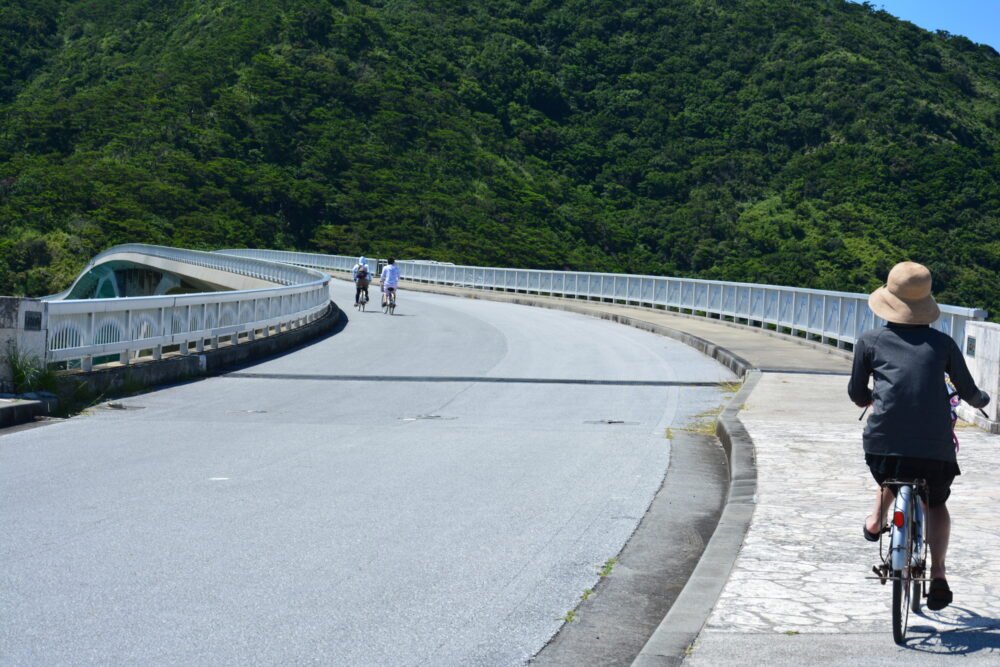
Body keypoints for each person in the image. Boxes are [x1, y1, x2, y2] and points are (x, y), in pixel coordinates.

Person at [848, 261, 989, 611]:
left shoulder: (869, 340)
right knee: (937, 502)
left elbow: (855, 392)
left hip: (883, 443)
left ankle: (876, 521)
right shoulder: (942, 343)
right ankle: (938, 574)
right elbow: (969, 391)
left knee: (891, 475)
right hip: (934, 448)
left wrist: (869, 398)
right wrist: (983, 401)